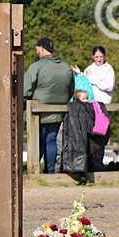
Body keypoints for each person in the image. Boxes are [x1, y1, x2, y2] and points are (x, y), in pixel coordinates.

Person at [24, 37, 74, 173]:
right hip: (58, 112)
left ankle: (33, 172)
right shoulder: (66, 67)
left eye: (36, 49)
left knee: (37, 141)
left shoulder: (37, 66)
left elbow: (25, 89)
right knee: (51, 140)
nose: (36, 52)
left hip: (37, 113)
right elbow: (71, 90)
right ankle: (50, 171)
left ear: (41, 48)